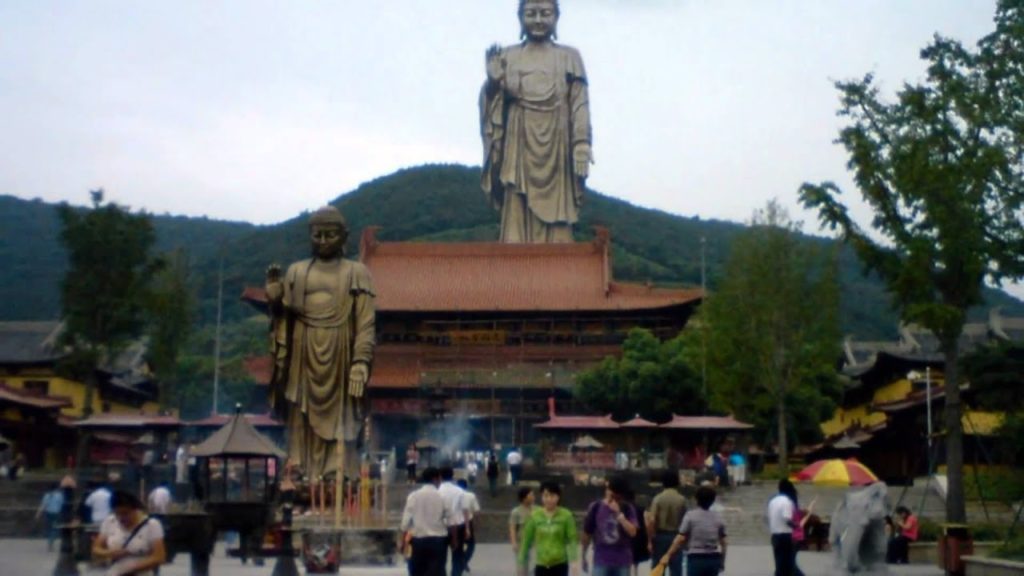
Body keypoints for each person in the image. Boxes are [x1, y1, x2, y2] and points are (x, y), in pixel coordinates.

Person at [265, 205, 376, 480]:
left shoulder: (356, 272)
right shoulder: (297, 271)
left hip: (341, 349)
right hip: (302, 349)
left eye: (330, 235)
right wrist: (276, 302)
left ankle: (337, 469)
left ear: (344, 236)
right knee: (299, 409)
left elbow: (365, 321)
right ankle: (299, 466)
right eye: (318, 235)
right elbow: (284, 321)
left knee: (342, 412)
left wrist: (360, 360)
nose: (324, 241)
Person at [480, 0, 593, 244]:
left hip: (557, 142)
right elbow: (492, 104)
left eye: (545, 13)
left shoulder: (569, 57)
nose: (539, 20)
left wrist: (581, 143)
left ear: (556, 17)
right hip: (518, 139)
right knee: (516, 208)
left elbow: (580, 103)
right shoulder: (508, 56)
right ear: (520, 18)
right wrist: (493, 83)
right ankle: (515, 269)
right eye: (531, 13)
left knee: (559, 220)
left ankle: (559, 268)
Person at [657, 485, 728, 576]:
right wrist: (722, 562)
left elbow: (680, 538)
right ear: (713, 501)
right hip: (713, 559)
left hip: (696, 558)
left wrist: (668, 555)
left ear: (696, 499)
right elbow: (724, 543)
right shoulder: (718, 518)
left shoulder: (690, 516)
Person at [92, 490, 166, 576]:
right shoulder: (110, 521)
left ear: (135, 510)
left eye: (125, 513)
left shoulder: (152, 525)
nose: (121, 518)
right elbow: (96, 549)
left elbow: (159, 557)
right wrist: (110, 553)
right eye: (117, 513)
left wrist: (130, 569)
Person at [581, 476, 638, 576]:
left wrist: (620, 515)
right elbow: (587, 533)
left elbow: (633, 532)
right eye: (611, 494)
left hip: (623, 561)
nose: (613, 499)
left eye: (618, 497)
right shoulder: (596, 507)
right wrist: (583, 555)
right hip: (601, 560)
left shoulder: (627, 508)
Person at [519, 481, 579, 576]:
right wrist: (521, 562)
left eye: (552, 496)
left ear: (558, 497)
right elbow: (526, 540)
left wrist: (574, 562)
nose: (549, 499)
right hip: (541, 565)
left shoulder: (566, 515)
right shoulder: (534, 516)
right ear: (541, 497)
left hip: (560, 564)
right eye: (545, 496)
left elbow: (572, 540)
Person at [402, 467, 448, 576]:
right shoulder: (442, 496)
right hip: (438, 541)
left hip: (418, 541)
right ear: (435, 479)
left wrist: (403, 542)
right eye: (440, 479)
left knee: (418, 571)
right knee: (437, 571)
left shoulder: (414, 496)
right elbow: (449, 519)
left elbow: (405, 523)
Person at [647, 470, 687, 576]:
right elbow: (685, 521)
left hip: (659, 536)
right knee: (676, 570)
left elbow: (652, 520)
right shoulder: (682, 499)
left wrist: (650, 540)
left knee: (658, 568)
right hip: (676, 536)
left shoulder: (658, 499)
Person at [438, 466, 468, 576]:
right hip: (458, 525)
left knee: (441, 556)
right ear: (453, 476)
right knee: (457, 554)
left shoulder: (437, 492)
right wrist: (467, 529)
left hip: (441, 527)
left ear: (440, 477)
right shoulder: (460, 491)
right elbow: (465, 510)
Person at [767, 479, 798, 576]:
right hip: (785, 536)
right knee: (788, 564)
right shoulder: (786, 502)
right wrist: (796, 525)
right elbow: (787, 519)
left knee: (779, 563)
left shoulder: (772, 501)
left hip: (774, 535)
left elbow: (768, 518)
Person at [510, 487, 536, 576]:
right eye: (531, 495)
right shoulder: (516, 511)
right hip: (522, 544)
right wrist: (514, 543)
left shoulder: (538, 510)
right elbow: (512, 528)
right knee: (522, 569)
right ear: (524, 498)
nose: (533, 497)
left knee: (534, 568)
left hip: (536, 544)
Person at [456, 479, 480, 572]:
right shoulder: (470, 495)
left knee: (458, 545)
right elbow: (477, 511)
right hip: (467, 522)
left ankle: (460, 562)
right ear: (466, 486)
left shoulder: (453, 495)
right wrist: (476, 523)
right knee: (471, 545)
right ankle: (464, 561)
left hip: (454, 522)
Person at [626, 490, 650, 575]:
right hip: (639, 537)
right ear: (634, 497)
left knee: (627, 559)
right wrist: (648, 540)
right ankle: (636, 573)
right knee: (636, 560)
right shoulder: (641, 509)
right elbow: (647, 524)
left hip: (627, 537)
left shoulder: (624, 509)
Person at [791, 496, 817, 576]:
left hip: (794, 539)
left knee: (790, 561)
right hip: (799, 539)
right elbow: (807, 513)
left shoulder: (792, 512)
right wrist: (812, 503)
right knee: (791, 560)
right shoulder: (799, 512)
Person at [36, 483, 65, 551]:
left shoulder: (47, 495)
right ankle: (51, 541)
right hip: (57, 513)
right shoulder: (60, 496)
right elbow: (62, 505)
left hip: (48, 513)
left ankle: (50, 540)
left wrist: (38, 514)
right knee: (55, 529)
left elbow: (43, 505)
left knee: (49, 528)